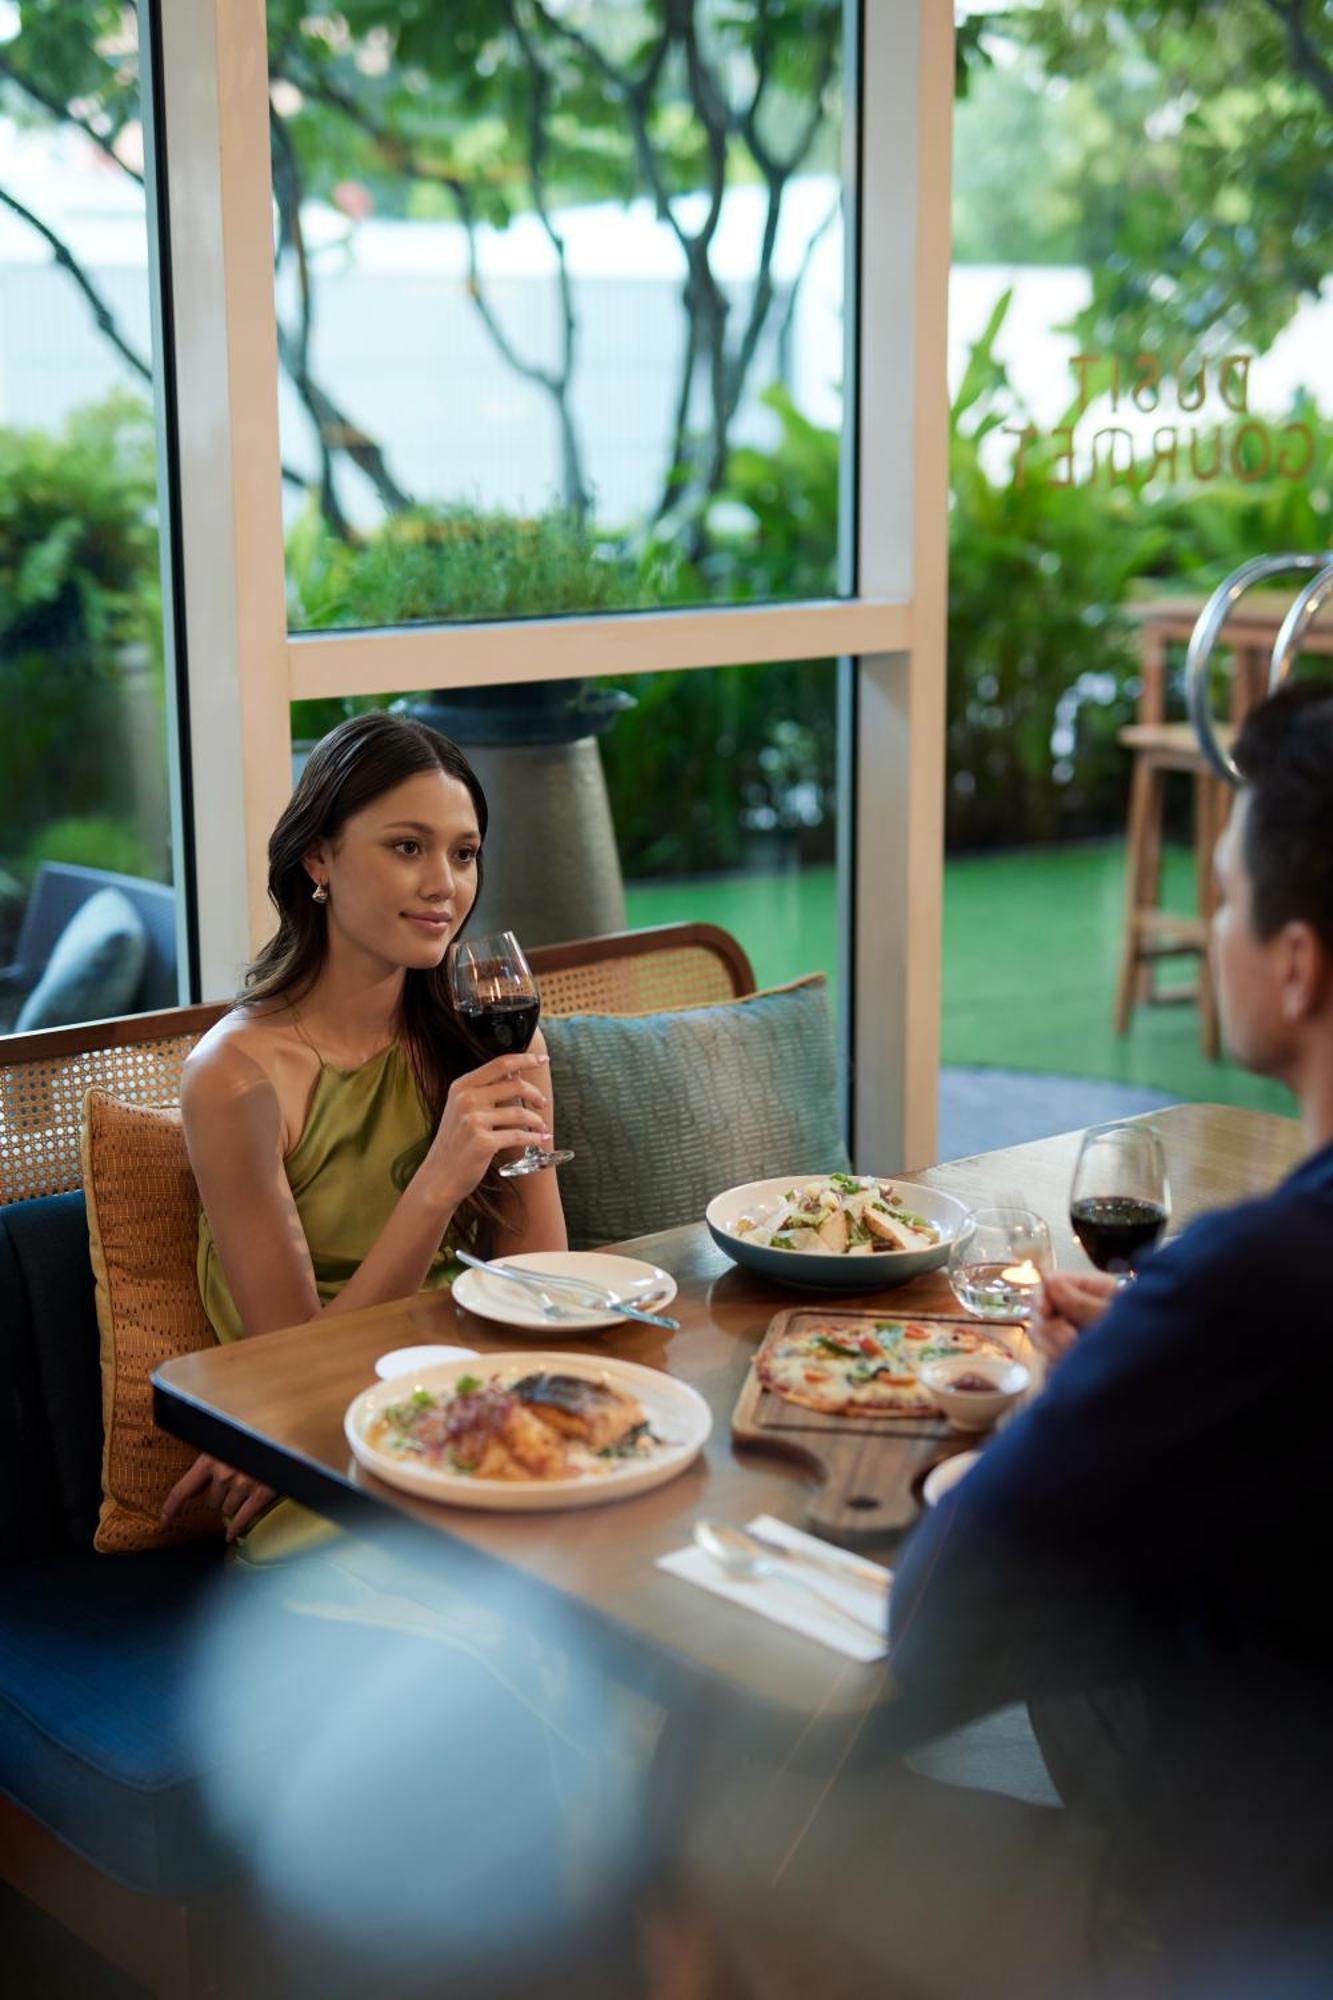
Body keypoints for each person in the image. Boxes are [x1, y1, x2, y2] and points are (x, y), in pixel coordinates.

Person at [887, 678, 1333, 1982]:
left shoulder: (1252, 1280)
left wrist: (1071, 1404)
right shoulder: (1239, 1291)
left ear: (1296, 966)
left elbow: (936, 1616)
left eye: (1230, 902)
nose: (1216, 927)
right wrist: (1156, 1363)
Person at [162, 712, 566, 1540]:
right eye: (407, 847)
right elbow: (298, 1367)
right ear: (319, 856)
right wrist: (439, 1180)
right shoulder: (236, 1077)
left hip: (477, 1403)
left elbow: (542, 1284)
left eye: (462, 853)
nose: (443, 887)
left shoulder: (490, 1026)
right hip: (329, 1448)